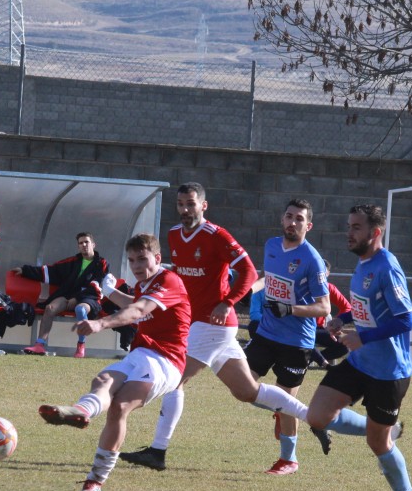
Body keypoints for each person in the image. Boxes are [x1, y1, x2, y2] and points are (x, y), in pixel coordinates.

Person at [121, 182, 313, 472]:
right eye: (181, 204)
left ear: (203, 206)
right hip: (198, 324)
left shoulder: (216, 235)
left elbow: (248, 271)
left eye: (191, 204)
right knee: (247, 391)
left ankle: (158, 451)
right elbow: (184, 279)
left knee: (175, 379)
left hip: (213, 324)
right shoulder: (174, 235)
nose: (185, 210)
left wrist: (228, 302)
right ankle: (316, 418)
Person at [38, 234, 190, 491]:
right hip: (141, 354)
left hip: (166, 361)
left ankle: (95, 482)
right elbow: (134, 305)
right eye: (131, 260)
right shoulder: (145, 283)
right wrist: (110, 293)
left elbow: (138, 311)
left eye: (142, 259)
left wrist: (100, 323)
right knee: (104, 379)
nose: (136, 266)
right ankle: (80, 411)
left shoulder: (169, 280)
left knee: (120, 406)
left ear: (157, 258)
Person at [304, 204, 412, 491]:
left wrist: (362, 337)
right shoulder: (363, 264)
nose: (349, 233)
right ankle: (384, 430)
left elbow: (405, 320)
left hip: (389, 371)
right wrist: (343, 318)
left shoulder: (386, 267)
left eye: (356, 227)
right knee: (317, 415)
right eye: (349, 226)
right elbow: (365, 307)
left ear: (375, 232)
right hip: (360, 362)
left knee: (377, 444)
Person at [245, 198, 330, 475]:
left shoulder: (312, 260)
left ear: (309, 225)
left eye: (299, 219)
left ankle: (289, 460)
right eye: (289, 216)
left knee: (286, 403)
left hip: (297, 342)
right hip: (267, 334)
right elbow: (267, 278)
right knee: (240, 385)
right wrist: (250, 289)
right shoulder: (271, 245)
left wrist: (289, 309)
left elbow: (324, 307)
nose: (293, 222)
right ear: (282, 219)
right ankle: (282, 406)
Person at [16, 232, 109, 358]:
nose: (84, 245)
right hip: (68, 296)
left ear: (93, 244)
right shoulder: (73, 261)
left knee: (80, 309)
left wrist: (77, 298)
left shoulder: (101, 263)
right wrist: (25, 271)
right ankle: (39, 345)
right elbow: (52, 271)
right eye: (80, 243)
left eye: (86, 242)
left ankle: (81, 345)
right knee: (50, 308)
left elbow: (96, 285)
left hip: (89, 298)